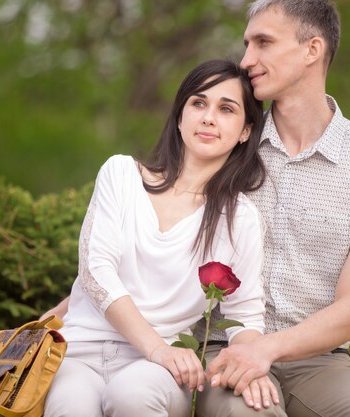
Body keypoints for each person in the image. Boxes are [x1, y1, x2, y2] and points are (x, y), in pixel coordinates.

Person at [195, 1, 350, 416]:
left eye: (263, 43)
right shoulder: (226, 143)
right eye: (246, 44)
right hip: (219, 347)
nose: (246, 60)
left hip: (320, 362)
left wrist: (266, 351)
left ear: (312, 50)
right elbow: (150, 223)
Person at [42, 59, 278, 417]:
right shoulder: (121, 175)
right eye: (198, 103)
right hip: (79, 353)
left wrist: (251, 365)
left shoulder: (239, 218)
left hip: (158, 370)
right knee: (69, 406)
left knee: (131, 395)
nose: (208, 117)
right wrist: (157, 348)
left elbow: (244, 312)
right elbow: (95, 271)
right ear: (180, 116)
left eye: (226, 109)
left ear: (246, 130)